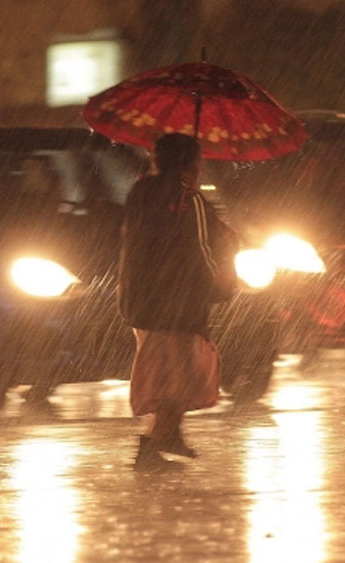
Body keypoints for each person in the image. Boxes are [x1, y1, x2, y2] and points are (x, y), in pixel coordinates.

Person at [118, 133, 238, 471]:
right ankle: (153, 445)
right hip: (178, 303)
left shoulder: (140, 193)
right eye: (199, 161)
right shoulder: (189, 199)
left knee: (166, 374)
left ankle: (168, 435)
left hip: (142, 300)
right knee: (183, 377)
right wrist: (222, 282)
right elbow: (201, 250)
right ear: (192, 165)